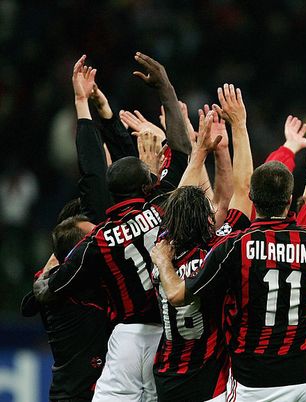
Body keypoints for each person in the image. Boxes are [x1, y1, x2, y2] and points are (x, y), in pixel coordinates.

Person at [33, 52, 191, 401]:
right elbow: (182, 148)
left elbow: (52, 286)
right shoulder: (161, 206)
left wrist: (42, 286)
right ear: (147, 182)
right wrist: (164, 85)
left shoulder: (99, 238)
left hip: (128, 339)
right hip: (170, 331)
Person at [153, 159, 306, 401]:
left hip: (253, 381)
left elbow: (177, 296)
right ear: (289, 199)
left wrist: (162, 261)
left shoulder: (234, 246)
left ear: (252, 198)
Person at [149, 84, 253, 402]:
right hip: (209, 377)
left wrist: (202, 152)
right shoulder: (216, 252)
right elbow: (240, 193)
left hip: (167, 372)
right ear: (209, 222)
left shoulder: (161, 250)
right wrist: (234, 130)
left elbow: (185, 201)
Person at [22, 214, 110, 402]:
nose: (103, 237)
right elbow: (27, 306)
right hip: (79, 393)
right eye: (95, 237)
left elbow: (28, 306)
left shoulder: (52, 281)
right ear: (79, 250)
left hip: (74, 388)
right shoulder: (77, 285)